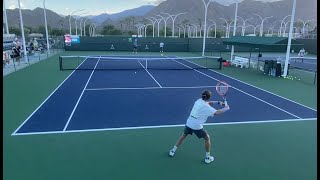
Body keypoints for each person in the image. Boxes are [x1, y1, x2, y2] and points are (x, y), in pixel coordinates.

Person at [169, 90, 230, 164]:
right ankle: (207, 158)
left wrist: (218, 102)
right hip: (196, 126)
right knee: (207, 138)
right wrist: (226, 108)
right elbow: (217, 112)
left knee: (184, 135)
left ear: (202, 96)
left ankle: (173, 150)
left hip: (189, 122)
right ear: (208, 97)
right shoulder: (206, 107)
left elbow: (209, 103)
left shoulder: (198, 101)